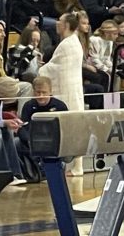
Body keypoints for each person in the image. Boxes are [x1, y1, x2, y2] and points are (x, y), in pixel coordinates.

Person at [38, 11, 88, 175]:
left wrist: (41, 68)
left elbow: (55, 68)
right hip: (71, 89)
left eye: (59, 21)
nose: (56, 24)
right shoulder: (73, 41)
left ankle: (77, 166)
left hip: (68, 90)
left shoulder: (67, 44)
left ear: (66, 25)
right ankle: (74, 166)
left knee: (71, 128)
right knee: (73, 127)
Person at [17, 75, 68, 154]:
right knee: (16, 143)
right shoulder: (28, 106)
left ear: (50, 92)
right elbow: (23, 128)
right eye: (38, 92)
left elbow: (66, 128)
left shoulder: (60, 106)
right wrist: (29, 141)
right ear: (33, 92)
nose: (41, 96)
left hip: (54, 142)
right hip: (33, 142)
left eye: (44, 92)